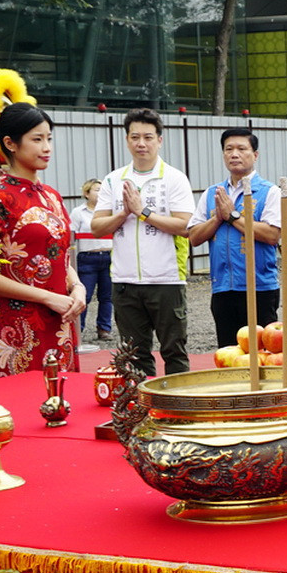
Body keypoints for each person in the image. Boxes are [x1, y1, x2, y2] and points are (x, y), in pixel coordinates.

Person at [0, 103, 84, 377]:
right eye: (37, 139)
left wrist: (77, 288)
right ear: (10, 144)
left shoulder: (52, 195)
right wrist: (48, 297)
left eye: (48, 138)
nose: (47, 147)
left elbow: (59, 255)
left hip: (60, 319)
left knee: (63, 403)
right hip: (17, 325)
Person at [92, 109, 194, 377]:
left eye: (148, 137)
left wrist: (143, 213)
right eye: (135, 137)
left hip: (166, 280)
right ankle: (141, 410)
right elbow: (96, 226)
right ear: (126, 140)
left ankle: (179, 410)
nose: (141, 143)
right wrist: (124, 212)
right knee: (133, 354)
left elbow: (186, 226)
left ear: (160, 140)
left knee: (174, 350)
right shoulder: (114, 180)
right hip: (125, 282)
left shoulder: (174, 178)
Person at [187, 128, 281, 349]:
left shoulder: (269, 191)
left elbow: (272, 234)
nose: (234, 154)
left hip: (259, 288)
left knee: (262, 354)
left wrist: (232, 216)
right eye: (229, 149)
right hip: (223, 288)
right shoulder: (213, 193)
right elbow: (194, 237)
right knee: (229, 353)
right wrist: (217, 219)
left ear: (255, 155)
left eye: (241, 149)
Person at [70, 178, 113, 342]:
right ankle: (78, 329)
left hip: (107, 256)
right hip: (87, 258)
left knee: (106, 296)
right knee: (84, 295)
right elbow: (72, 235)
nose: (100, 192)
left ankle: (104, 329)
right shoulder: (78, 212)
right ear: (86, 193)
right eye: (96, 189)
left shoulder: (109, 212)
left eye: (102, 189)